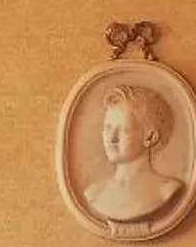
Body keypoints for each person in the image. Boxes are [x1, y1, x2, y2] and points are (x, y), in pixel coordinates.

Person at [79, 80, 186, 227]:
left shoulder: (166, 190)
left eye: (124, 130)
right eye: (108, 128)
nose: (111, 138)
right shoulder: (95, 193)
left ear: (150, 137)